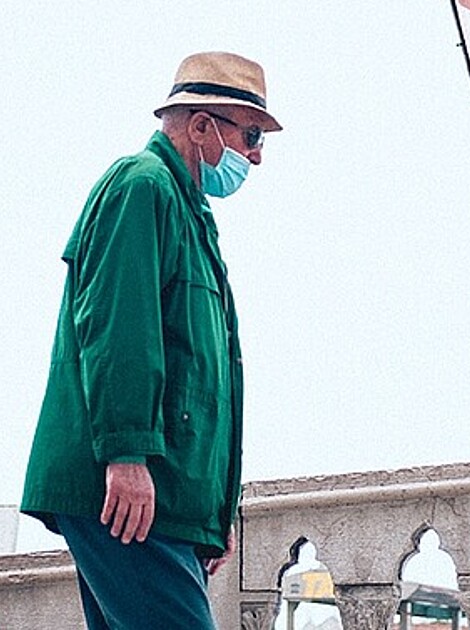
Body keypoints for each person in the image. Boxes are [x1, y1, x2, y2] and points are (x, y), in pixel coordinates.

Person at [20, 51, 281, 629]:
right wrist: (126, 455)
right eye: (253, 134)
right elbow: (119, 330)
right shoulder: (142, 187)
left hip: (160, 494)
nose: (257, 156)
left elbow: (202, 378)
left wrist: (213, 514)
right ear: (200, 125)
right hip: (129, 488)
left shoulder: (186, 209)